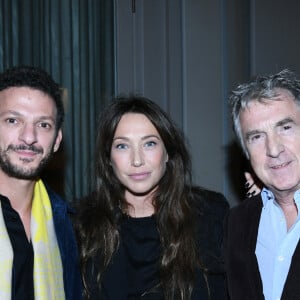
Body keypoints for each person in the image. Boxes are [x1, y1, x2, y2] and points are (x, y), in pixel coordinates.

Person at [75, 96, 229, 299]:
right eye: (122, 146)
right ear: (109, 160)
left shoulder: (209, 213)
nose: (137, 160)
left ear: (167, 153)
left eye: (149, 144)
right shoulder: (81, 223)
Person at [0, 65, 82, 300]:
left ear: (56, 140)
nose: (29, 137)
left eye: (43, 124)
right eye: (13, 120)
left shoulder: (69, 227)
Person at [225, 69, 300, 300]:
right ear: (246, 152)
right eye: (257, 137)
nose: (274, 149)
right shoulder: (234, 224)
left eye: (285, 128)